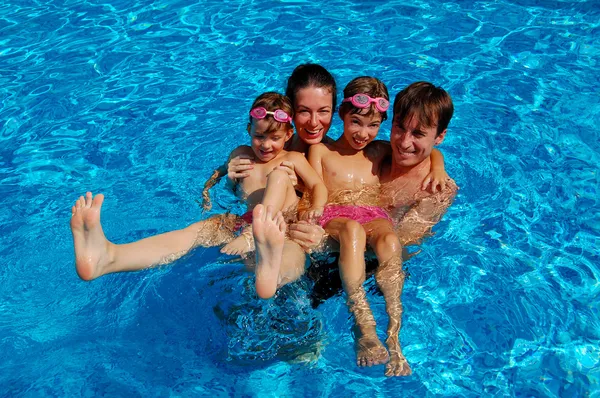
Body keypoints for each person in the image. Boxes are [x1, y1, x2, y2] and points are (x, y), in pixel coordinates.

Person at [70, 92, 327, 299]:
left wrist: (315, 209)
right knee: (190, 234)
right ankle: (107, 258)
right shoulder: (241, 154)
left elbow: (318, 186)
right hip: (242, 223)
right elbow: (220, 173)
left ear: (288, 135)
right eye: (259, 136)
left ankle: (269, 268)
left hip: (284, 227)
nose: (265, 144)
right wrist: (208, 191)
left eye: (274, 138)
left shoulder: (292, 159)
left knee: (283, 199)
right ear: (249, 129)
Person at [297, 81, 458, 377]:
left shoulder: (435, 189)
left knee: (388, 246)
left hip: (375, 268)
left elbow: (405, 241)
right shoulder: (380, 155)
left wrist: (437, 166)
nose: (404, 142)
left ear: (439, 137)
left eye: (419, 134)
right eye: (400, 129)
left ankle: (393, 341)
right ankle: (360, 329)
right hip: (334, 250)